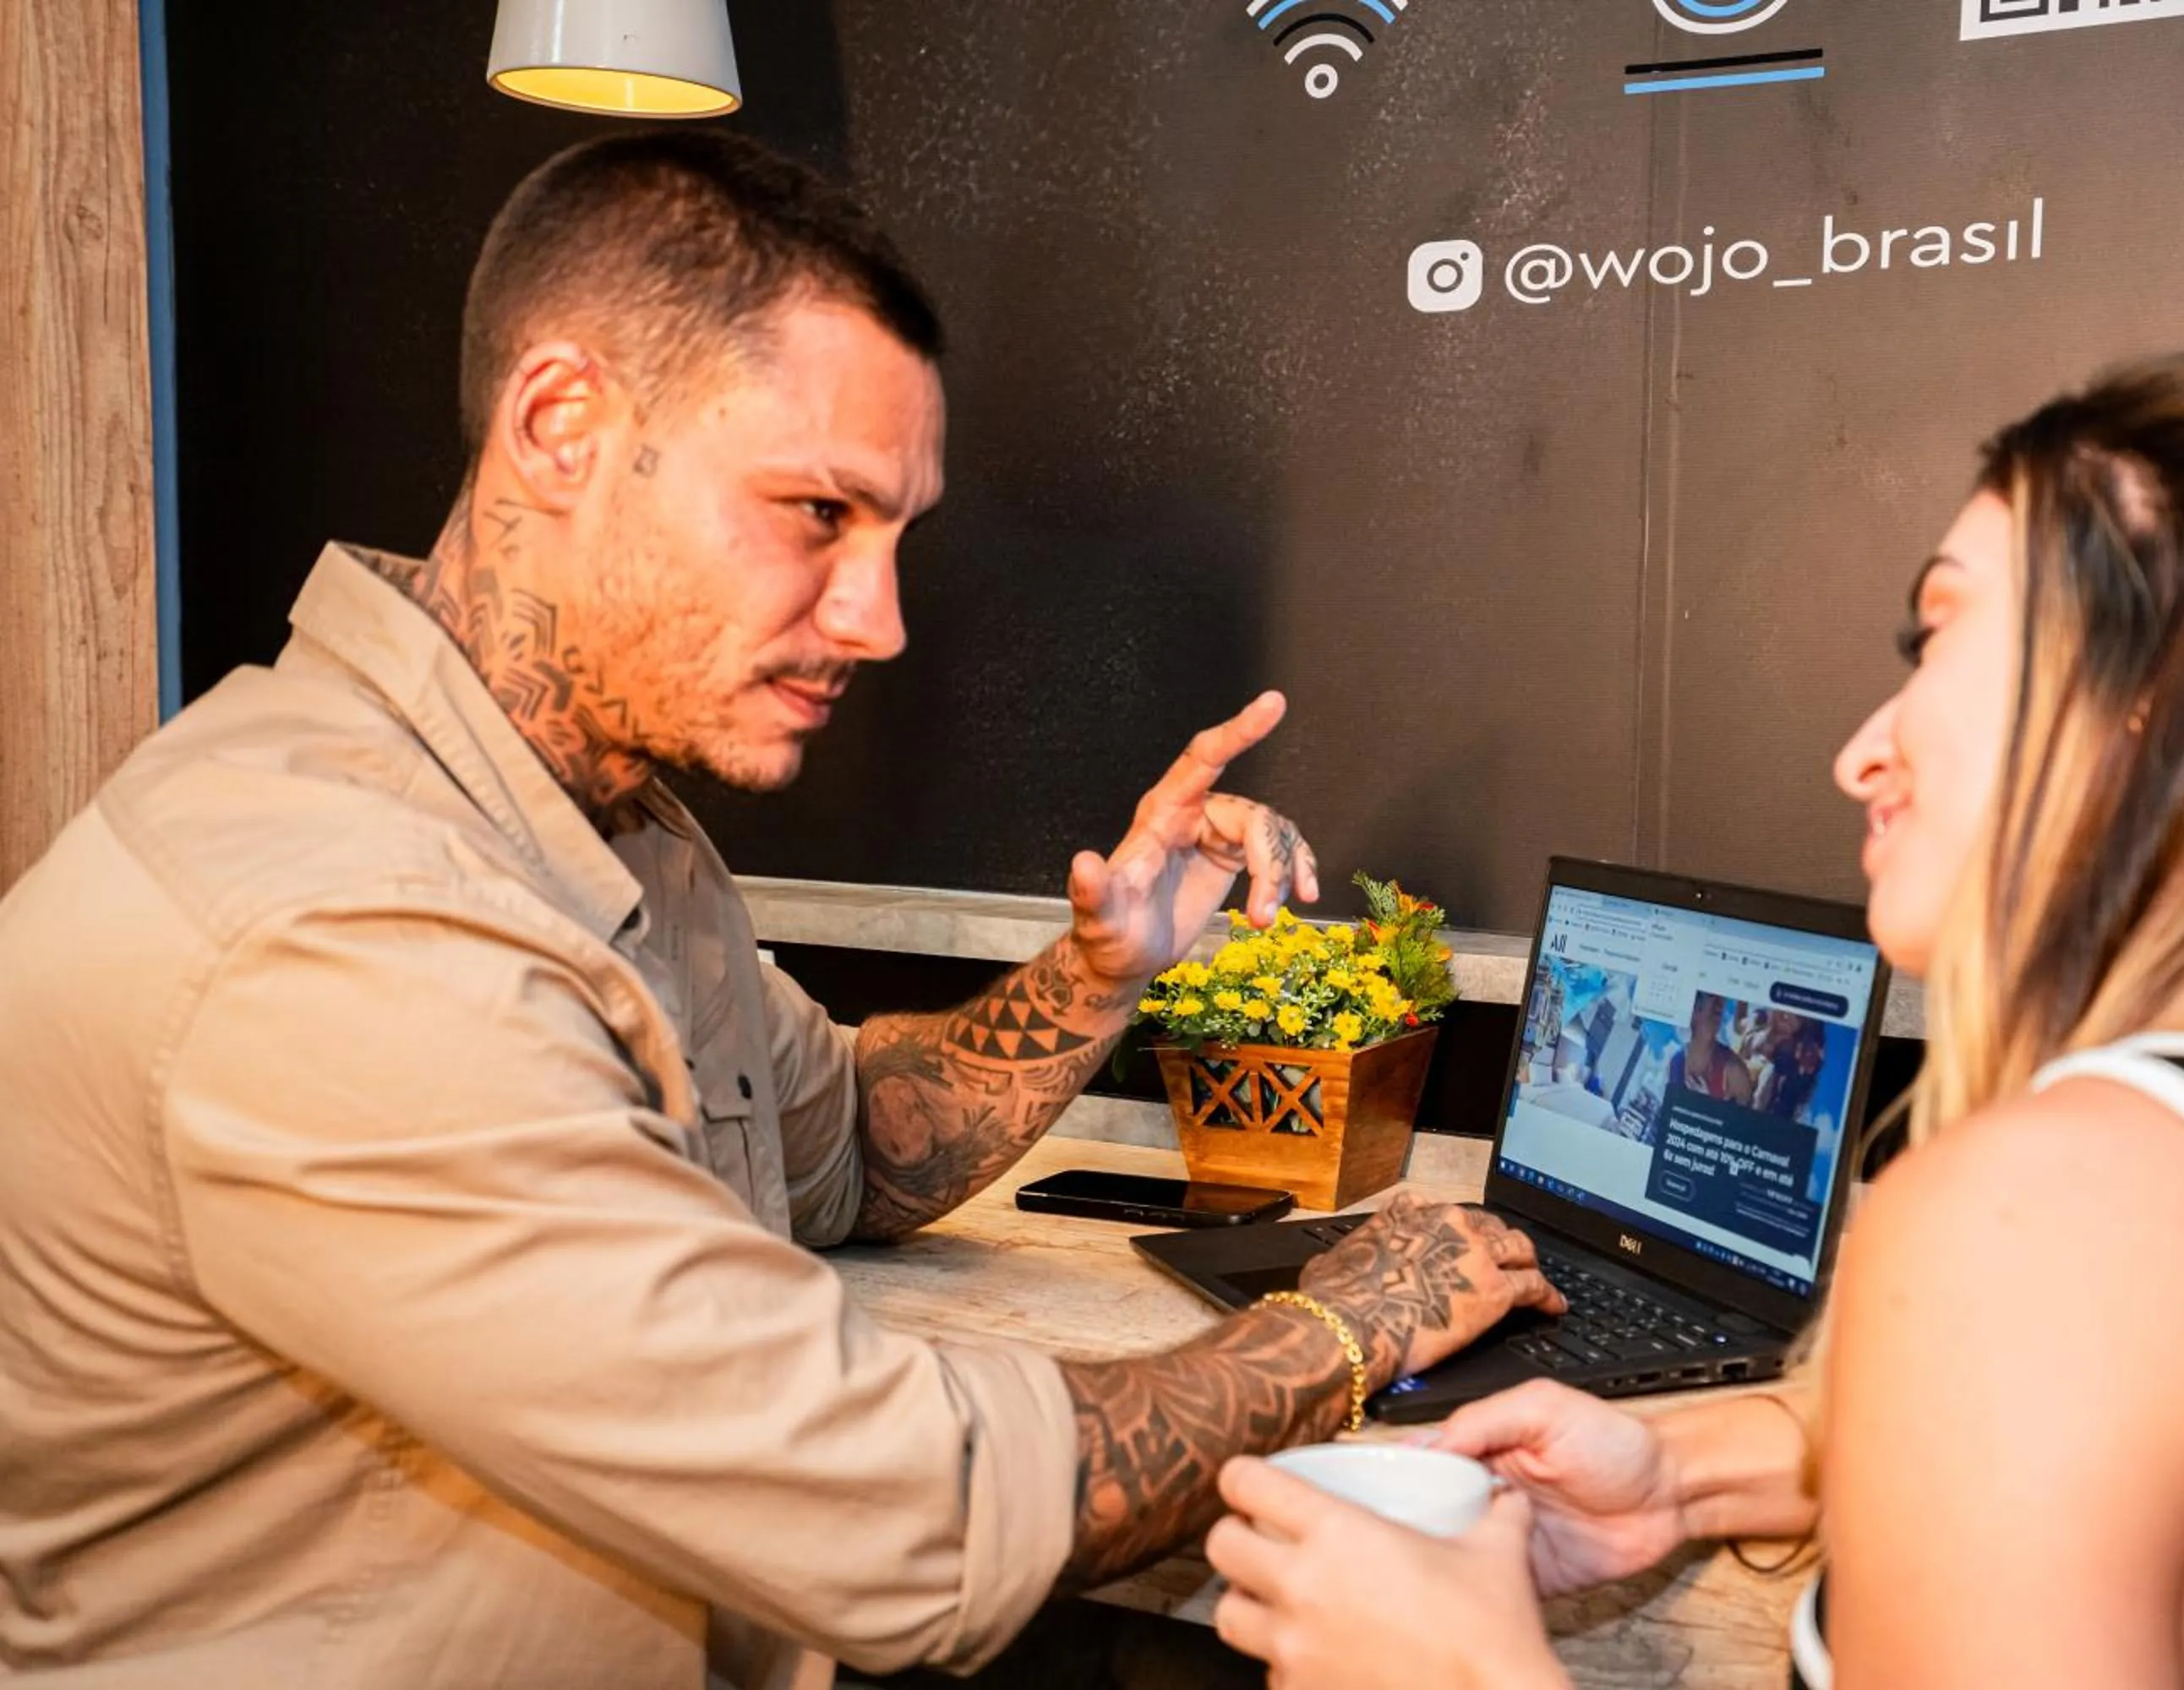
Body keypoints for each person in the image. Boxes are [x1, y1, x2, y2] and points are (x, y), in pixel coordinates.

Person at [0, 132, 1563, 1687]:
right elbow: (909, 1515)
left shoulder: (606, 819)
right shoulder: (341, 926)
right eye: (819, 511)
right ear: (562, 425)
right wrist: (1344, 1328)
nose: (879, 620)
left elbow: (848, 1151)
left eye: (898, 535)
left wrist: (1102, 972)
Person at [1202, 352, 2184, 1687]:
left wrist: (1459, 1674)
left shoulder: (2053, 1210)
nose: (1864, 753)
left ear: (2171, 708)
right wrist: (1688, 1475)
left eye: (1939, 637)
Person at [1667, 991, 1757, 1104]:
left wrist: (1709, 1106)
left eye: (1723, 998)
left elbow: (1748, 1118)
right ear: (1693, 1011)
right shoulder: (1676, 1064)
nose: (1719, 1003)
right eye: (1711, 996)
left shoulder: (1734, 1070)